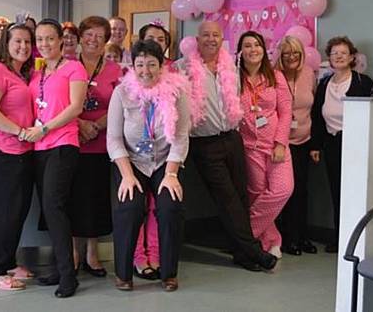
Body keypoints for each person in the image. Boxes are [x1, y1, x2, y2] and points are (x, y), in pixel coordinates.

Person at [175, 21, 277, 272]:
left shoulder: (230, 65)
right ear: (197, 40)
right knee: (227, 199)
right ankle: (254, 252)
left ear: (222, 39)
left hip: (232, 137)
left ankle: (242, 254)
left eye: (216, 35)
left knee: (241, 196)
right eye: (206, 35)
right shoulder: (182, 67)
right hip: (204, 142)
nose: (211, 39)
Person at [107, 40, 190, 292]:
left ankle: (169, 273)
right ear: (132, 66)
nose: (146, 70)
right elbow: (113, 137)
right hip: (131, 163)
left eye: (152, 64)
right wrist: (127, 176)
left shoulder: (178, 92)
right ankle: (123, 273)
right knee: (129, 207)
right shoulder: (121, 93)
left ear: (162, 65)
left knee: (169, 207)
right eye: (140, 64)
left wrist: (172, 174)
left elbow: (181, 135)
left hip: (165, 162)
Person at [30, 19, 86, 298]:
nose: (44, 44)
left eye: (49, 39)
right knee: (50, 210)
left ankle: (68, 274)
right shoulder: (37, 72)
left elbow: (76, 106)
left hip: (63, 144)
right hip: (39, 148)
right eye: (39, 39)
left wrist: (45, 128)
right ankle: (58, 267)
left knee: (54, 206)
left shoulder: (74, 68)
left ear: (61, 41)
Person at [0, 24, 35, 291]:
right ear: (6, 43)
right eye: (17, 41)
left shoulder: (22, 73)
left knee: (18, 210)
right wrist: (20, 131)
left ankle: (8, 261)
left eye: (27, 42)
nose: (23, 46)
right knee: (6, 212)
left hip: (23, 152)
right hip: (3, 151)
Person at [69, 16, 123, 278]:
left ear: (106, 41)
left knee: (95, 198)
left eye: (99, 36)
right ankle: (72, 252)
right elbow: (58, 100)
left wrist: (96, 127)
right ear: (80, 37)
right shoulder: (67, 65)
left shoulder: (114, 70)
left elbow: (120, 105)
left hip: (102, 142)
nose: (93, 40)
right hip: (71, 140)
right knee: (71, 198)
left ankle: (92, 253)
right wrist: (80, 125)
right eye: (88, 34)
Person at [311, 36, 373, 253]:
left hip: (356, 144)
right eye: (334, 53)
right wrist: (315, 146)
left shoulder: (363, 82)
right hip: (332, 144)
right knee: (337, 192)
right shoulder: (324, 84)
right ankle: (340, 237)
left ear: (352, 57)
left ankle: (358, 240)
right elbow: (317, 117)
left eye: (343, 53)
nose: (338, 56)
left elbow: (371, 114)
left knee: (357, 192)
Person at [237, 31, 293, 260]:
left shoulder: (276, 77)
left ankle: (242, 235)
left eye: (257, 45)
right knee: (257, 195)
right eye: (248, 46)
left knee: (282, 190)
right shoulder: (234, 78)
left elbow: (286, 111)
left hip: (275, 146)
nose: (253, 49)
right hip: (249, 146)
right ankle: (270, 240)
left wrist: (280, 143)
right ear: (240, 52)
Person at [275, 36, 318, 256]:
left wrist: (315, 144)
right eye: (286, 54)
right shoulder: (274, 76)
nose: (291, 57)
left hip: (305, 140)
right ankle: (288, 237)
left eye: (296, 53)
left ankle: (302, 236)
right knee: (286, 192)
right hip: (282, 143)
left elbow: (315, 108)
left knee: (302, 191)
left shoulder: (309, 74)